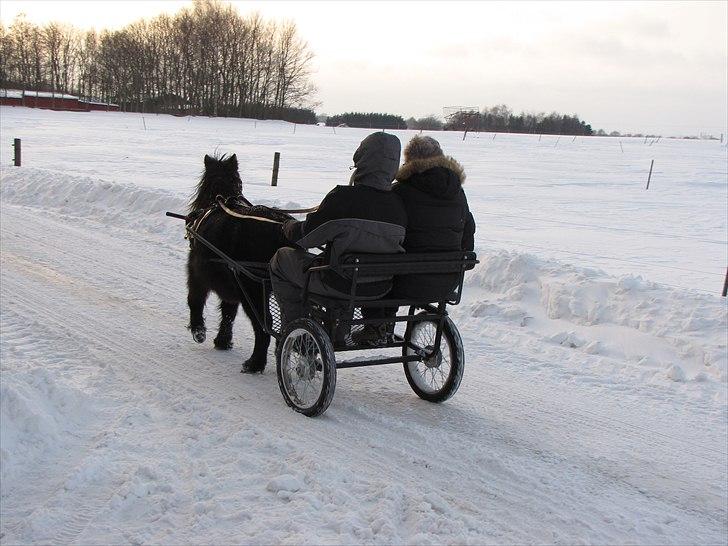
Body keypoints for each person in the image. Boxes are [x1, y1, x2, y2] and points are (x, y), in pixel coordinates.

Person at [270, 132, 407, 327]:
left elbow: (305, 238)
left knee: (281, 258)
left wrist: (288, 226)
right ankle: (338, 329)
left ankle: (294, 326)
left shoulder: (343, 198)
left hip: (342, 284)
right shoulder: (398, 204)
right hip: (380, 287)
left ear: (361, 158)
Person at [354, 135, 476, 344]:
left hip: (405, 282)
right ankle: (384, 326)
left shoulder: (399, 191)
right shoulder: (458, 193)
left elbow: (385, 236)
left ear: (409, 159)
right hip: (448, 280)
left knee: (375, 260)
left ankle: (376, 325)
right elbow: (469, 232)